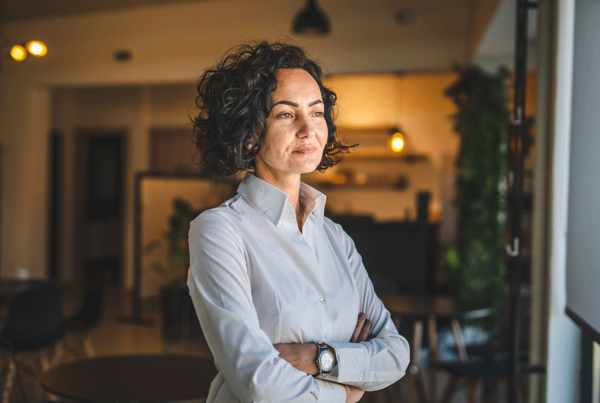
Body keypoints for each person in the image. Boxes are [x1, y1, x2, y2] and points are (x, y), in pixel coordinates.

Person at [188, 41, 410, 403]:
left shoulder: (336, 237)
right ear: (248, 134)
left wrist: (316, 358)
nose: (309, 129)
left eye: (317, 112)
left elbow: (396, 354)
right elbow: (259, 383)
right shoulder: (219, 232)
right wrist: (348, 391)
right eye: (286, 114)